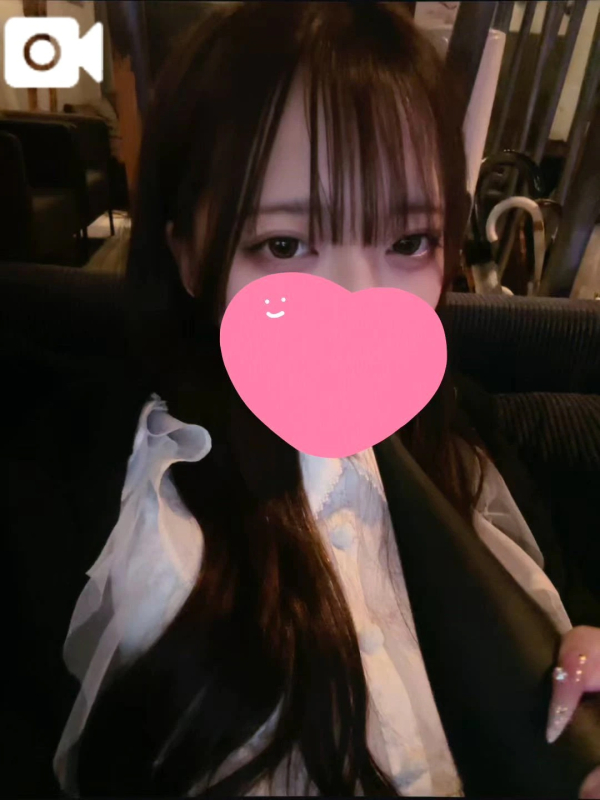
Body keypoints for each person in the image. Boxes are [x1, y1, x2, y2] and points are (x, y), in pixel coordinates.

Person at [50, 3, 600, 797]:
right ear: (191, 255)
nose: (357, 303)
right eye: (284, 245)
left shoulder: (464, 437)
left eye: (408, 242)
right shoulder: (103, 486)